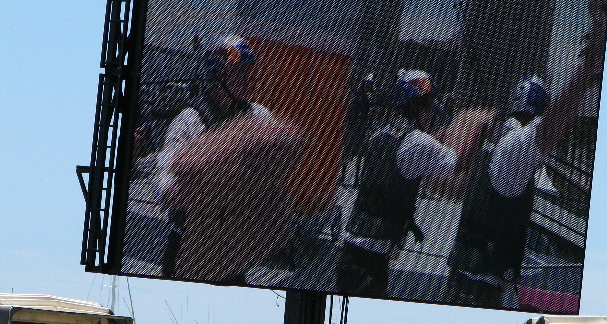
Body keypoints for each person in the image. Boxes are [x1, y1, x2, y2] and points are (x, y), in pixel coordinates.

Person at [446, 0, 607, 307]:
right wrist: (585, 73)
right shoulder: (515, 151)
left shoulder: (496, 138)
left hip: (466, 281)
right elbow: (551, 128)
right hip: (479, 293)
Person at [157, 34, 304, 283]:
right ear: (219, 76)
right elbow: (165, 179)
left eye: (247, 73)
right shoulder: (191, 120)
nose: (246, 80)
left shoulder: (256, 115)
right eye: (239, 73)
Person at [336, 69, 487, 296]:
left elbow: (409, 155)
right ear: (415, 105)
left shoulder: (382, 134)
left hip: (354, 250)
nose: (431, 110)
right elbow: (459, 164)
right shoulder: (418, 142)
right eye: (427, 104)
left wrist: (436, 137)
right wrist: (478, 125)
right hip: (371, 260)